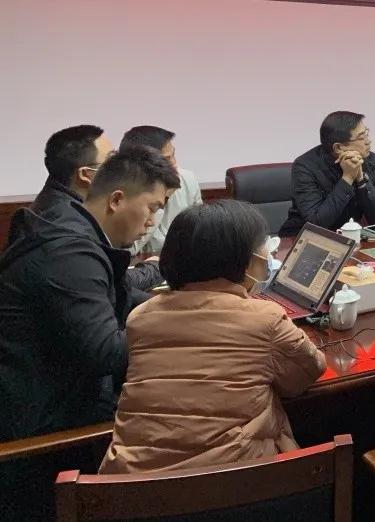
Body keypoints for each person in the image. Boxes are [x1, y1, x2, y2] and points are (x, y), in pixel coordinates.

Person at [100, 200, 325, 473]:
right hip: (240, 484)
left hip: (134, 485)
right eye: (263, 245)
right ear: (244, 260)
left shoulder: (141, 317)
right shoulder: (265, 319)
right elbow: (306, 373)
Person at [0, 146, 179, 442]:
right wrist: (178, 324)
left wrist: (183, 306)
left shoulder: (74, 225)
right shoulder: (69, 252)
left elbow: (118, 294)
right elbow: (106, 352)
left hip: (58, 396)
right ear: (117, 200)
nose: (152, 222)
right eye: (152, 208)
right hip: (45, 432)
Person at [7, 125, 164, 298]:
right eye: (112, 161)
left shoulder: (55, 203)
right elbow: (108, 284)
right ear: (86, 175)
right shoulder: (65, 227)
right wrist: (154, 269)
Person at [280, 111, 375, 235]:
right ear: (338, 147)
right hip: (302, 237)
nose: (368, 141)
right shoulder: (305, 167)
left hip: (350, 236)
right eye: (361, 137)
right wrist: (347, 178)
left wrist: (361, 180)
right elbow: (316, 223)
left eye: (366, 133)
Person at [119, 126, 203, 255]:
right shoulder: (123, 194)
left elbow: (200, 232)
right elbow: (129, 251)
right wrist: (160, 203)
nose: (175, 165)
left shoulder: (187, 180)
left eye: (173, 155)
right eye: (166, 160)